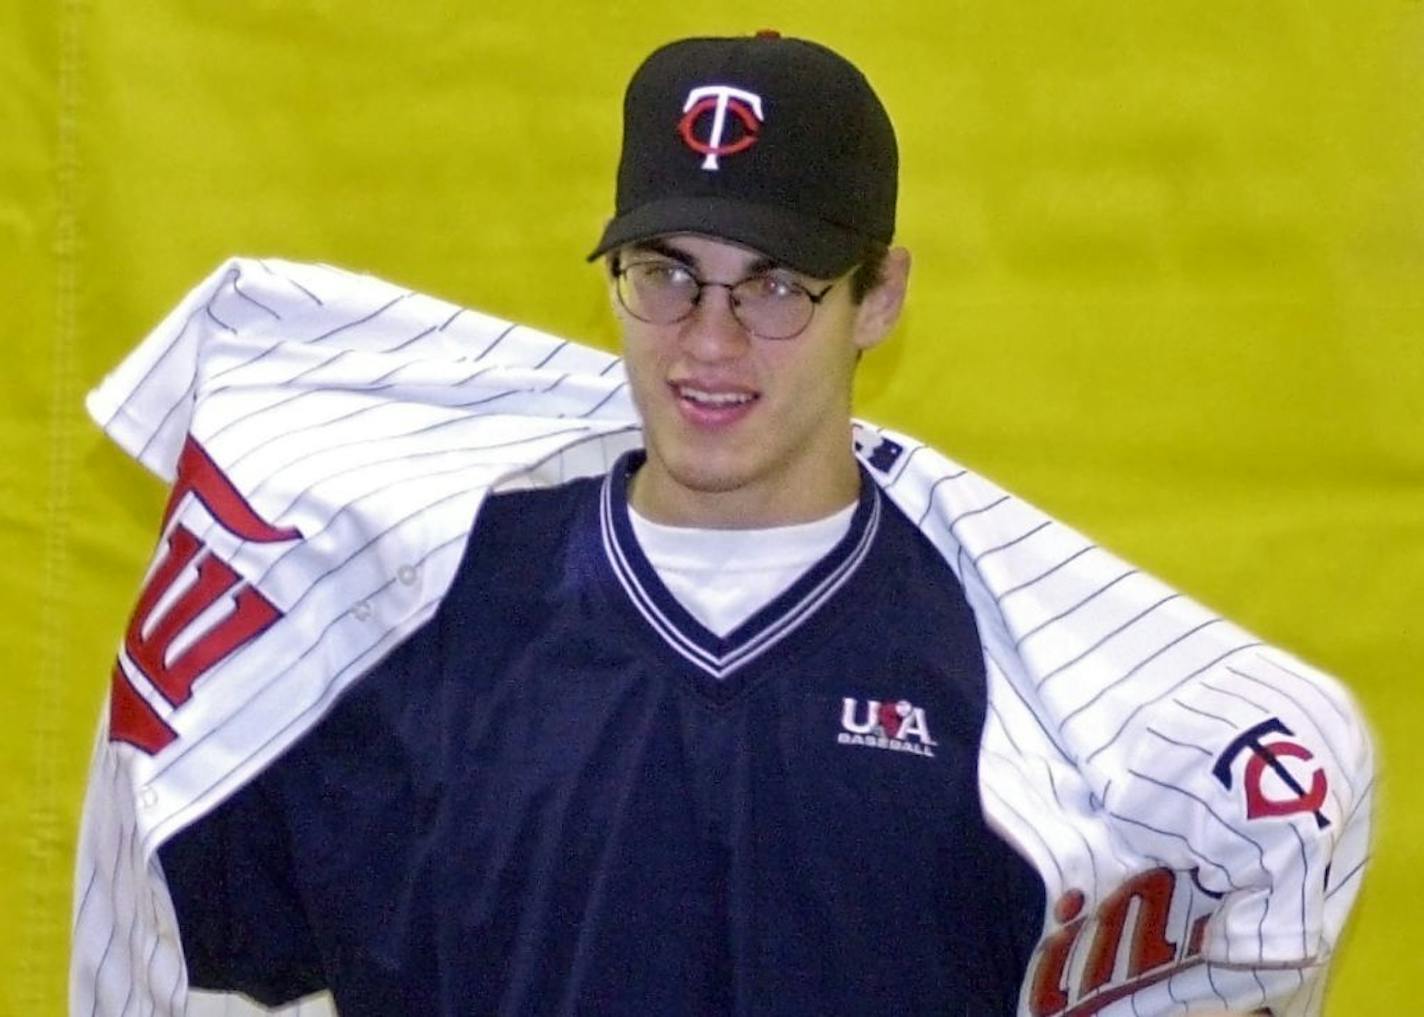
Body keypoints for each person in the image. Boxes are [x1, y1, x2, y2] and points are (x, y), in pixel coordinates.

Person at [71, 33, 1371, 1017]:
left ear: (881, 296)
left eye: (778, 285)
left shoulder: (1026, 688)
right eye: (667, 273)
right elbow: (209, 950)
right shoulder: (412, 616)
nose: (709, 338)